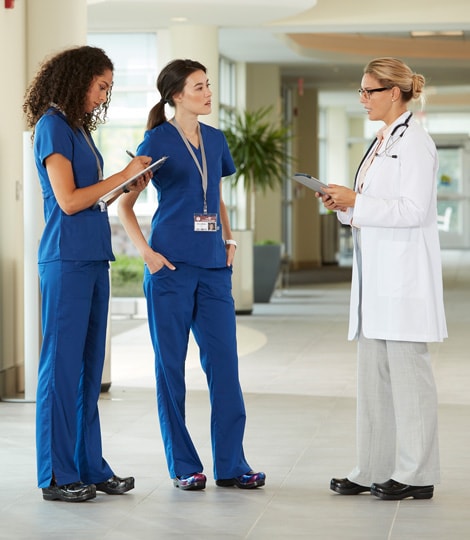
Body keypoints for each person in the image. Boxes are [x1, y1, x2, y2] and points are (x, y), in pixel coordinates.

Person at [118, 58, 265, 491]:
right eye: (199, 86)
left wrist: (231, 240)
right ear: (176, 95)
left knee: (225, 366)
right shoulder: (156, 140)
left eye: (209, 84)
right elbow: (126, 206)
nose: (207, 92)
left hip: (214, 268)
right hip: (171, 269)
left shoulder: (216, 140)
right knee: (170, 370)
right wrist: (147, 254)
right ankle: (184, 465)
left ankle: (232, 464)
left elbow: (214, 195)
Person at [23, 45, 153, 502]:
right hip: (65, 260)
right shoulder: (52, 127)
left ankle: (90, 467)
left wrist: (126, 183)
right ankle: (56, 475)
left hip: (94, 257)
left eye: (108, 89)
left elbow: (91, 195)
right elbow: (70, 200)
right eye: (101, 87)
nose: (103, 97)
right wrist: (120, 173)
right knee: (60, 370)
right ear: (78, 80)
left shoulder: (78, 129)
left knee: (88, 371)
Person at [317, 57, 447, 501]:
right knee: (373, 378)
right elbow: (377, 205)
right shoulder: (383, 142)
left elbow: (414, 211)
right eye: (360, 91)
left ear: (394, 93)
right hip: (375, 282)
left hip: (404, 282)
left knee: (409, 379)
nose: (362, 99)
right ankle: (370, 466)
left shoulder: (416, 144)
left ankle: (417, 474)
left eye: (368, 91)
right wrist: (347, 204)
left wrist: (358, 201)